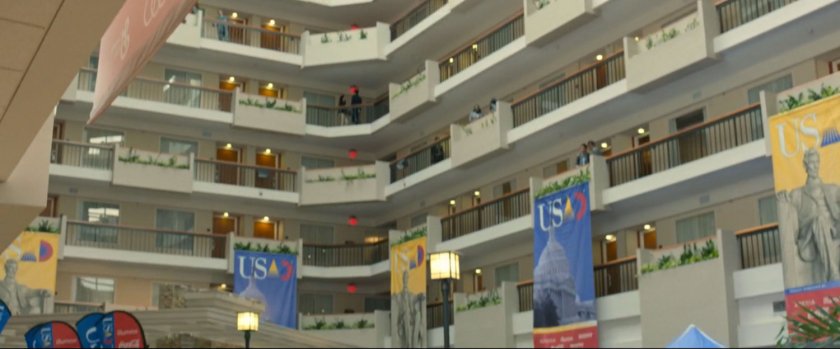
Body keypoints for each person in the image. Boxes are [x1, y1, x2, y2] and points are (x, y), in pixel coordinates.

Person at [777, 148, 840, 285]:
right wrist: (783, 198)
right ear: (805, 166)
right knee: (820, 220)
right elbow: (787, 203)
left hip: (834, 230)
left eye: (817, 162)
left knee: (826, 221)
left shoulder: (832, 189)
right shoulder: (797, 194)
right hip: (812, 235)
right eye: (812, 162)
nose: (815, 165)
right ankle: (833, 274)